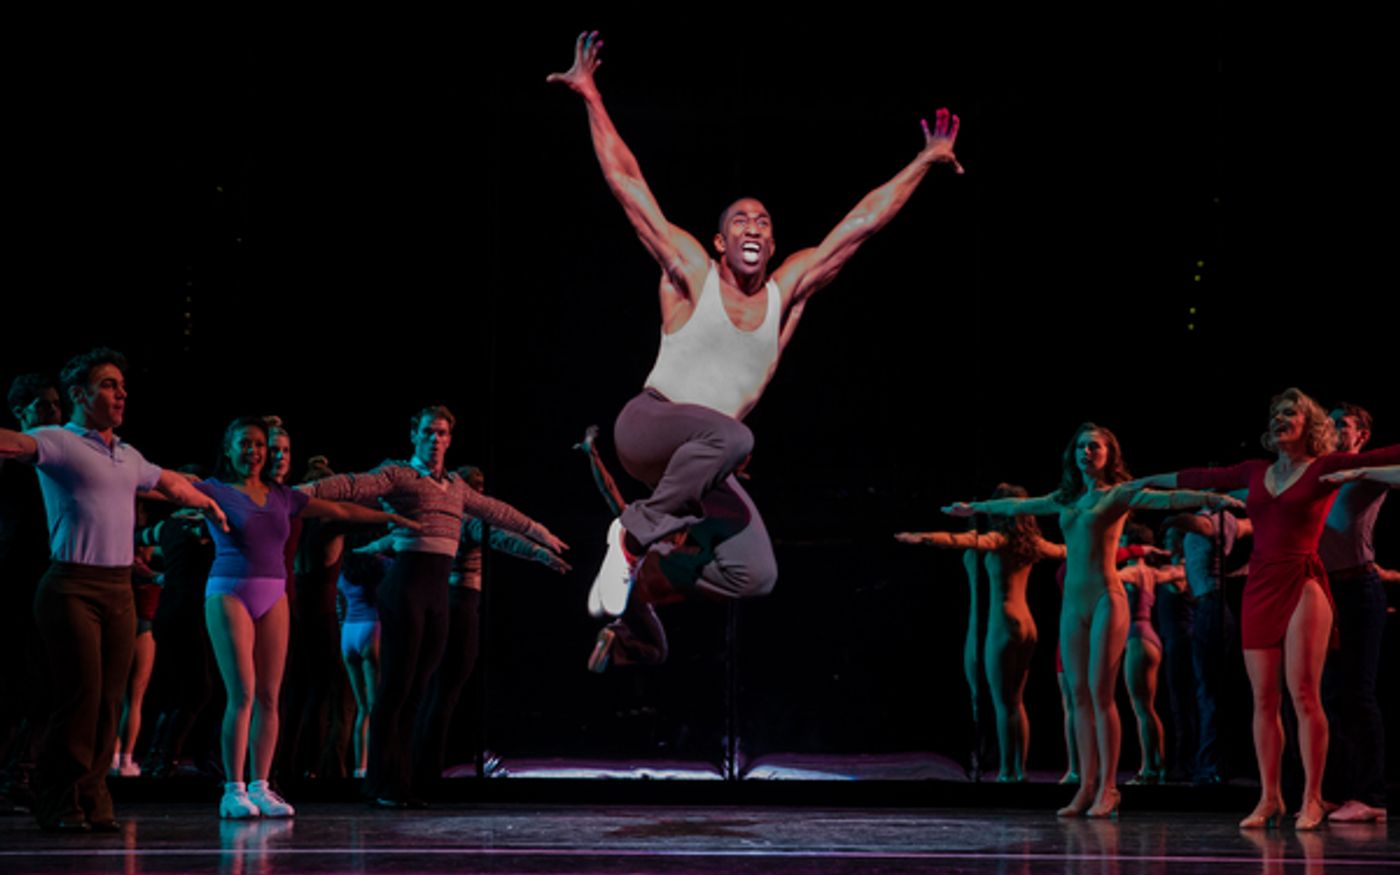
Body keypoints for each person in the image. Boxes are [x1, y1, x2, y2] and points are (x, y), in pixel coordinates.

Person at [548, 31, 964, 624]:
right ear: (721, 242)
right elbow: (629, 185)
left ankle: (646, 581)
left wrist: (923, 161)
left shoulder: (784, 292)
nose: (753, 227)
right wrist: (592, 97)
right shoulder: (693, 273)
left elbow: (861, 225)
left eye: (764, 222)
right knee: (737, 439)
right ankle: (633, 537)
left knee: (755, 573)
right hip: (648, 428)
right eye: (741, 220)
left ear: (771, 244)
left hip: (700, 465)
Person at [1133, 388, 1400, 829]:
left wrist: (1362, 469)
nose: (1279, 418)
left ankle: (1313, 798)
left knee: (1306, 693)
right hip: (1260, 583)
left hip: (1304, 579)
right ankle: (1270, 797)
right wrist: (1138, 483)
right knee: (1263, 698)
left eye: (1290, 411)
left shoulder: (1325, 467)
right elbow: (1201, 476)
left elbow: (1390, 456)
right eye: (1275, 412)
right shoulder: (1256, 471)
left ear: (1309, 423)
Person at [944, 423, 1240, 818]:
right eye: (1081, 446)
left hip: (1106, 599)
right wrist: (976, 508)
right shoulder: (1065, 498)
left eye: (1095, 446)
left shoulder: (1117, 494)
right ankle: (1086, 786)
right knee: (1078, 696)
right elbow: (1018, 506)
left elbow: (1165, 499)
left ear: (1109, 454)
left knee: (1101, 695)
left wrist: (1210, 497)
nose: (1087, 452)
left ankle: (1109, 788)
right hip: (1073, 605)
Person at [0, 348, 228, 832]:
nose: (121, 393)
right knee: (80, 695)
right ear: (79, 394)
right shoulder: (59, 440)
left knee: (109, 699)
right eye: (108, 385)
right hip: (71, 587)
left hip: (119, 588)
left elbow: (169, 482)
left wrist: (210, 504)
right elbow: (15, 444)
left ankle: (94, 798)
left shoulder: (127, 454)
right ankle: (59, 801)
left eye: (122, 385)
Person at [299, 406, 567, 808]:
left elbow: (496, 511)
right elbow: (354, 483)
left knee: (419, 690)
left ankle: (404, 781)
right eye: (428, 432)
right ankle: (382, 783)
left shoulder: (456, 486)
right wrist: (300, 492)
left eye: (441, 433)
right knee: (396, 687)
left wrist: (540, 533)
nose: (435, 440)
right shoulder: (400, 474)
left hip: (438, 594)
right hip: (405, 588)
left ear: (450, 439)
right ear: (414, 435)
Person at [197, 416, 418, 819]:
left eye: (259, 444)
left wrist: (391, 518)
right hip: (229, 591)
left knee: (269, 696)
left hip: (274, 594)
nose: (253, 451)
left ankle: (261, 785)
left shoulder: (283, 496)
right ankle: (233, 789)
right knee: (242, 693)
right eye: (244, 443)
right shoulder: (214, 490)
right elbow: (167, 485)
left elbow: (338, 508)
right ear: (228, 449)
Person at [897, 484, 1066, 782]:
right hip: (1027, 624)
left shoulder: (998, 540)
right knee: (1016, 702)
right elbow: (1065, 550)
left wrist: (922, 537)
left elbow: (957, 540)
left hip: (1004, 621)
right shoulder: (1033, 543)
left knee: (1004, 703)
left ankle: (1007, 773)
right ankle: (1018, 770)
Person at [1318, 402, 1396, 825]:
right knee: (1330, 695)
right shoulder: (1321, 473)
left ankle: (1371, 796)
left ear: (1361, 435)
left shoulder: (1367, 471)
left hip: (1359, 588)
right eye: (1328, 424)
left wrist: (1360, 472)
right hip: (1324, 592)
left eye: (1341, 425)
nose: (1332, 430)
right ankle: (1338, 791)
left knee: (1358, 693)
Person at [0, 374, 63, 812]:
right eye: (43, 405)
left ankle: (22, 772)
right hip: (14, 582)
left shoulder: (59, 460)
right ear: (20, 412)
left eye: (56, 405)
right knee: (15, 685)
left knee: (48, 684)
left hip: (51, 579)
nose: (52, 413)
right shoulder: (12, 461)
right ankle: (13, 774)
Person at [1116, 524, 1187, 785]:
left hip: (1137, 637)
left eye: (1122, 541)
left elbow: (1105, 577)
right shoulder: (1153, 573)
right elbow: (1179, 574)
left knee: (1142, 708)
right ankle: (1158, 765)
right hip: (1151, 637)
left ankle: (1148, 768)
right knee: (1148, 708)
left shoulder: (1132, 572)